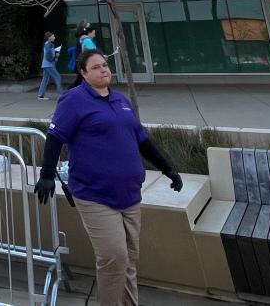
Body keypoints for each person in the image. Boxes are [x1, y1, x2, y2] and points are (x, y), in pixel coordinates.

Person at [36, 49, 182, 306]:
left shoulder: (121, 100)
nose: (104, 70)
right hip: (95, 195)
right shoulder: (74, 100)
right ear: (83, 73)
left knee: (129, 260)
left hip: (129, 194)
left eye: (105, 65)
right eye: (96, 67)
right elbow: (55, 137)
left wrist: (168, 168)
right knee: (113, 257)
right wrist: (47, 173)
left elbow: (143, 141)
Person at [38, 32, 63, 100]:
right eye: (53, 36)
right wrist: (55, 57)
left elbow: (48, 54)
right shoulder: (48, 44)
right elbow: (48, 56)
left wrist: (55, 54)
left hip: (45, 65)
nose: (54, 37)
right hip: (48, 65)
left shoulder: (48, 44)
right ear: (49, 37)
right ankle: (60, 94)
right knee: (57, 77)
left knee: (45, 79)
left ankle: (40, 95)